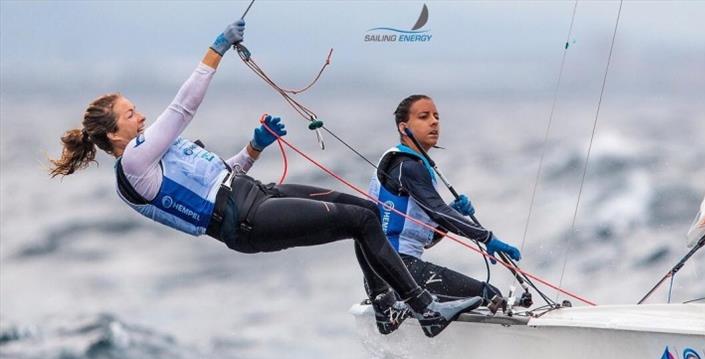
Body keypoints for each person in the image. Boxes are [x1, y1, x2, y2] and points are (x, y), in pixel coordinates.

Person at [47, 20, 480, 338]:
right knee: (363, 223)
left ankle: (387, 308)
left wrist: (255, 147)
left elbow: (219, 176)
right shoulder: (135, 165)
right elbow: (182, 110)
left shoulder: (148, 155)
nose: (140, 116)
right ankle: (425, 310)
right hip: (245, 221)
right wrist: (214, 50)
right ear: (112, 134)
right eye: (130, 113)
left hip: (252, 194)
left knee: (366, 210)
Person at [367, 94, 522, 307]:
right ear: (404, 128)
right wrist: (487, 237)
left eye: (436, 116)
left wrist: (450, 213)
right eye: (424, 116)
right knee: (488, 295)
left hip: (386, 273)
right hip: (397, 270)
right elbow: (437, 210)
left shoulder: (406, 164)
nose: (434, 122)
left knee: (485, 296)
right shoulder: (406, 165)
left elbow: (428, 239)